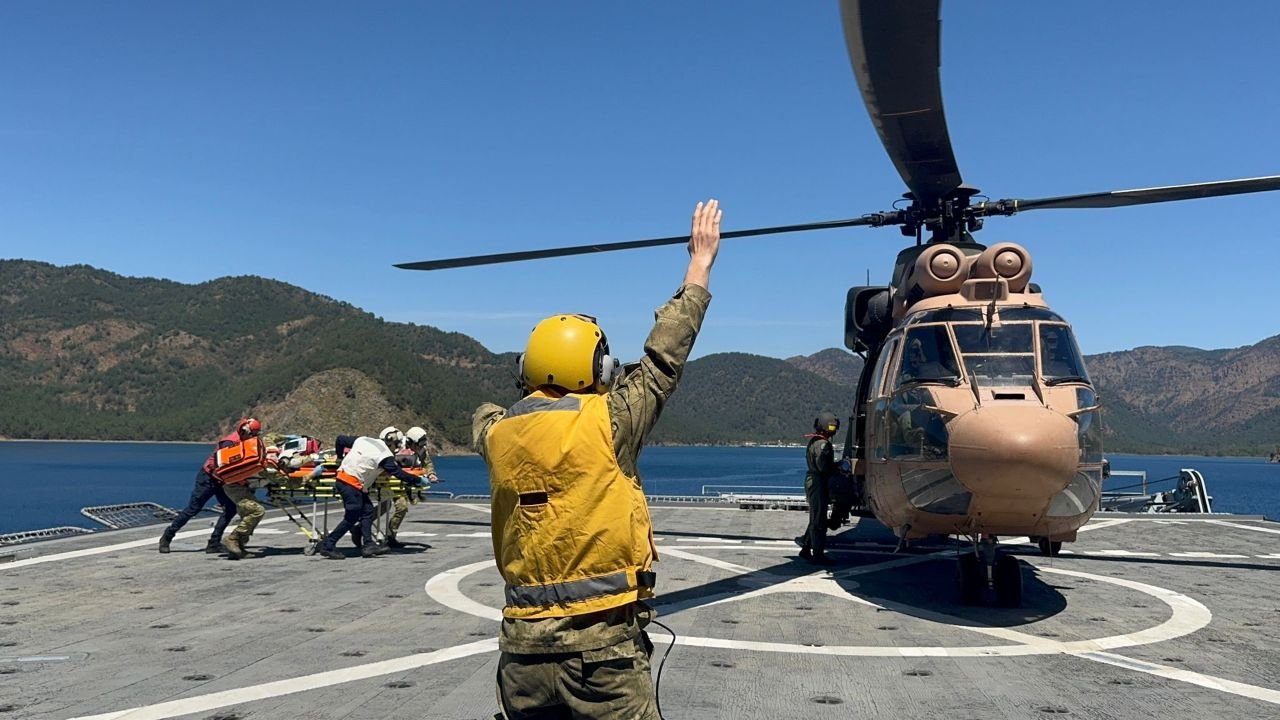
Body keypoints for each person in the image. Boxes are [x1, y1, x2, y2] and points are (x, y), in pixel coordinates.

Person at [473, 199, 721, 720]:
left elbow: (493, 414)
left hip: (520, 653)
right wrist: (698, 267)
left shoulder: (495, 433)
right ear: (601, 368)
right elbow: (662, 357)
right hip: (601, 652)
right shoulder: (610, 422)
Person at [315, 430, 426, 560]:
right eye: (396, 446)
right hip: (351, 484)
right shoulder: (385, 456)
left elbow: (340, 439)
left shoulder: (363, 440)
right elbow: (398, 473)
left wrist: (340, 458)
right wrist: (417, 480)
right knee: (351, 517)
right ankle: (328, 545)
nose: (396, 449)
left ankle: (368, 545)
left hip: (347, 481)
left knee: (367, 511)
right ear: (392, 443)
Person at [157, 418, 260, 554]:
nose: (252, 437)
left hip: (224, 480)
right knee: (193, 509)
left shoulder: (245, 443)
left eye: (255, 434)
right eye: (251, 433)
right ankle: (167, 537)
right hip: (209, 477)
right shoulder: (230, 443)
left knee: (230, 509)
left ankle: (214, 542)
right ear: (243, 430)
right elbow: (226, 465)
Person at [385, 425, 439, 549]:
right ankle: (363, 529)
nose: (421, 447)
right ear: (410, 442)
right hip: (390, 482)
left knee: (400, 508)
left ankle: (390, 536)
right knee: (389, 507)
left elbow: (427, 463)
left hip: (405, 483)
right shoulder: (396, 446)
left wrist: (431, 475)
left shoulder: (422, 449)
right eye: (419, 444)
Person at [798, 412, 839, 565]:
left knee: (815, 516)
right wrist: (837, 467)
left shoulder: (814, 441)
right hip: (818, 482)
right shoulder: (824, 445)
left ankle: (806, 548)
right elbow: (823, 467)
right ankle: (818, 554)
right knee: (819, 519)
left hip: (812, 480)